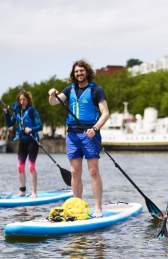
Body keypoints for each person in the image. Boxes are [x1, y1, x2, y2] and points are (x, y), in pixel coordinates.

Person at [48, 60, 109, 217]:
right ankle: (77, 206)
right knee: (75, 172)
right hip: (72, 135)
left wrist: (95, 129)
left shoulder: (96, 90)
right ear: (73, 74)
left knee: (93, 171)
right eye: (76, 72)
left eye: (81, 71)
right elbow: (54, 102)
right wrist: (51, 94)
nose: (79, 74)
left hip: (89, 134)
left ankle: (98, 208)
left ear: (87, 72)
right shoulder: (69, 89)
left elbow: (105, 113)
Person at [3, 90, 42, 198]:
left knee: (31, 167)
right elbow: (10, 124)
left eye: (24, 99)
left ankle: (34, 192)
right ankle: (22, 190)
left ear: (28, 100)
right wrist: (6, 114)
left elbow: (40, 126)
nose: (22, 101)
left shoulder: (32, 111)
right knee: (20, 167)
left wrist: (31, 129)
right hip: (22, 141)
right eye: (20, 99)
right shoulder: (17, 112)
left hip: (33, 141)